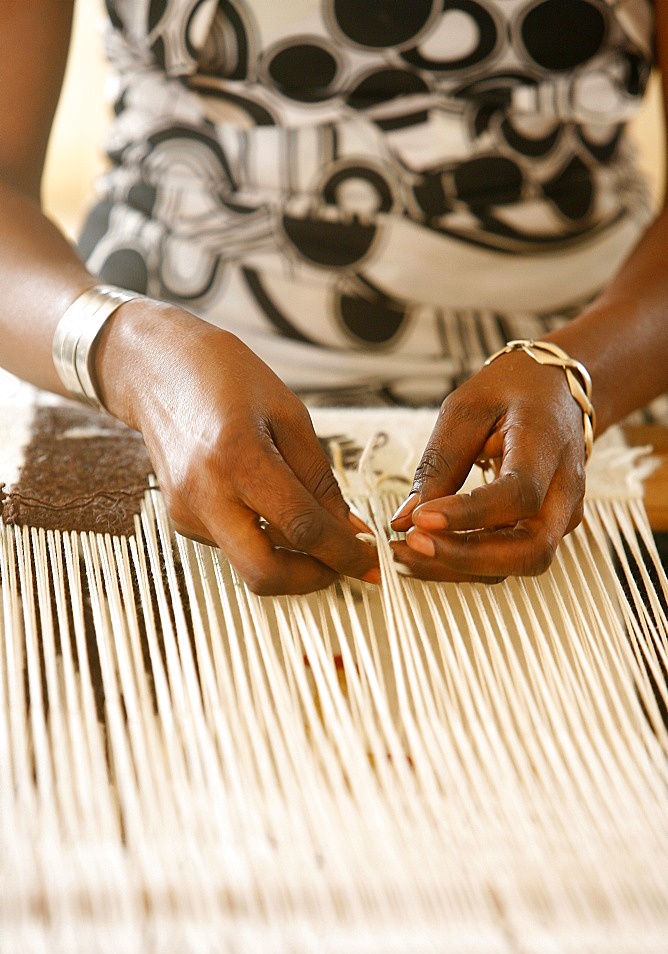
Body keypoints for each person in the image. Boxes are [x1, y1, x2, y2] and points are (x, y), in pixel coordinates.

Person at [0, 0, 666, 596]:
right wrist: (129, 352)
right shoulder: (132, 364)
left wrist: (584, 376)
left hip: (596, 394)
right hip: (145, 401)